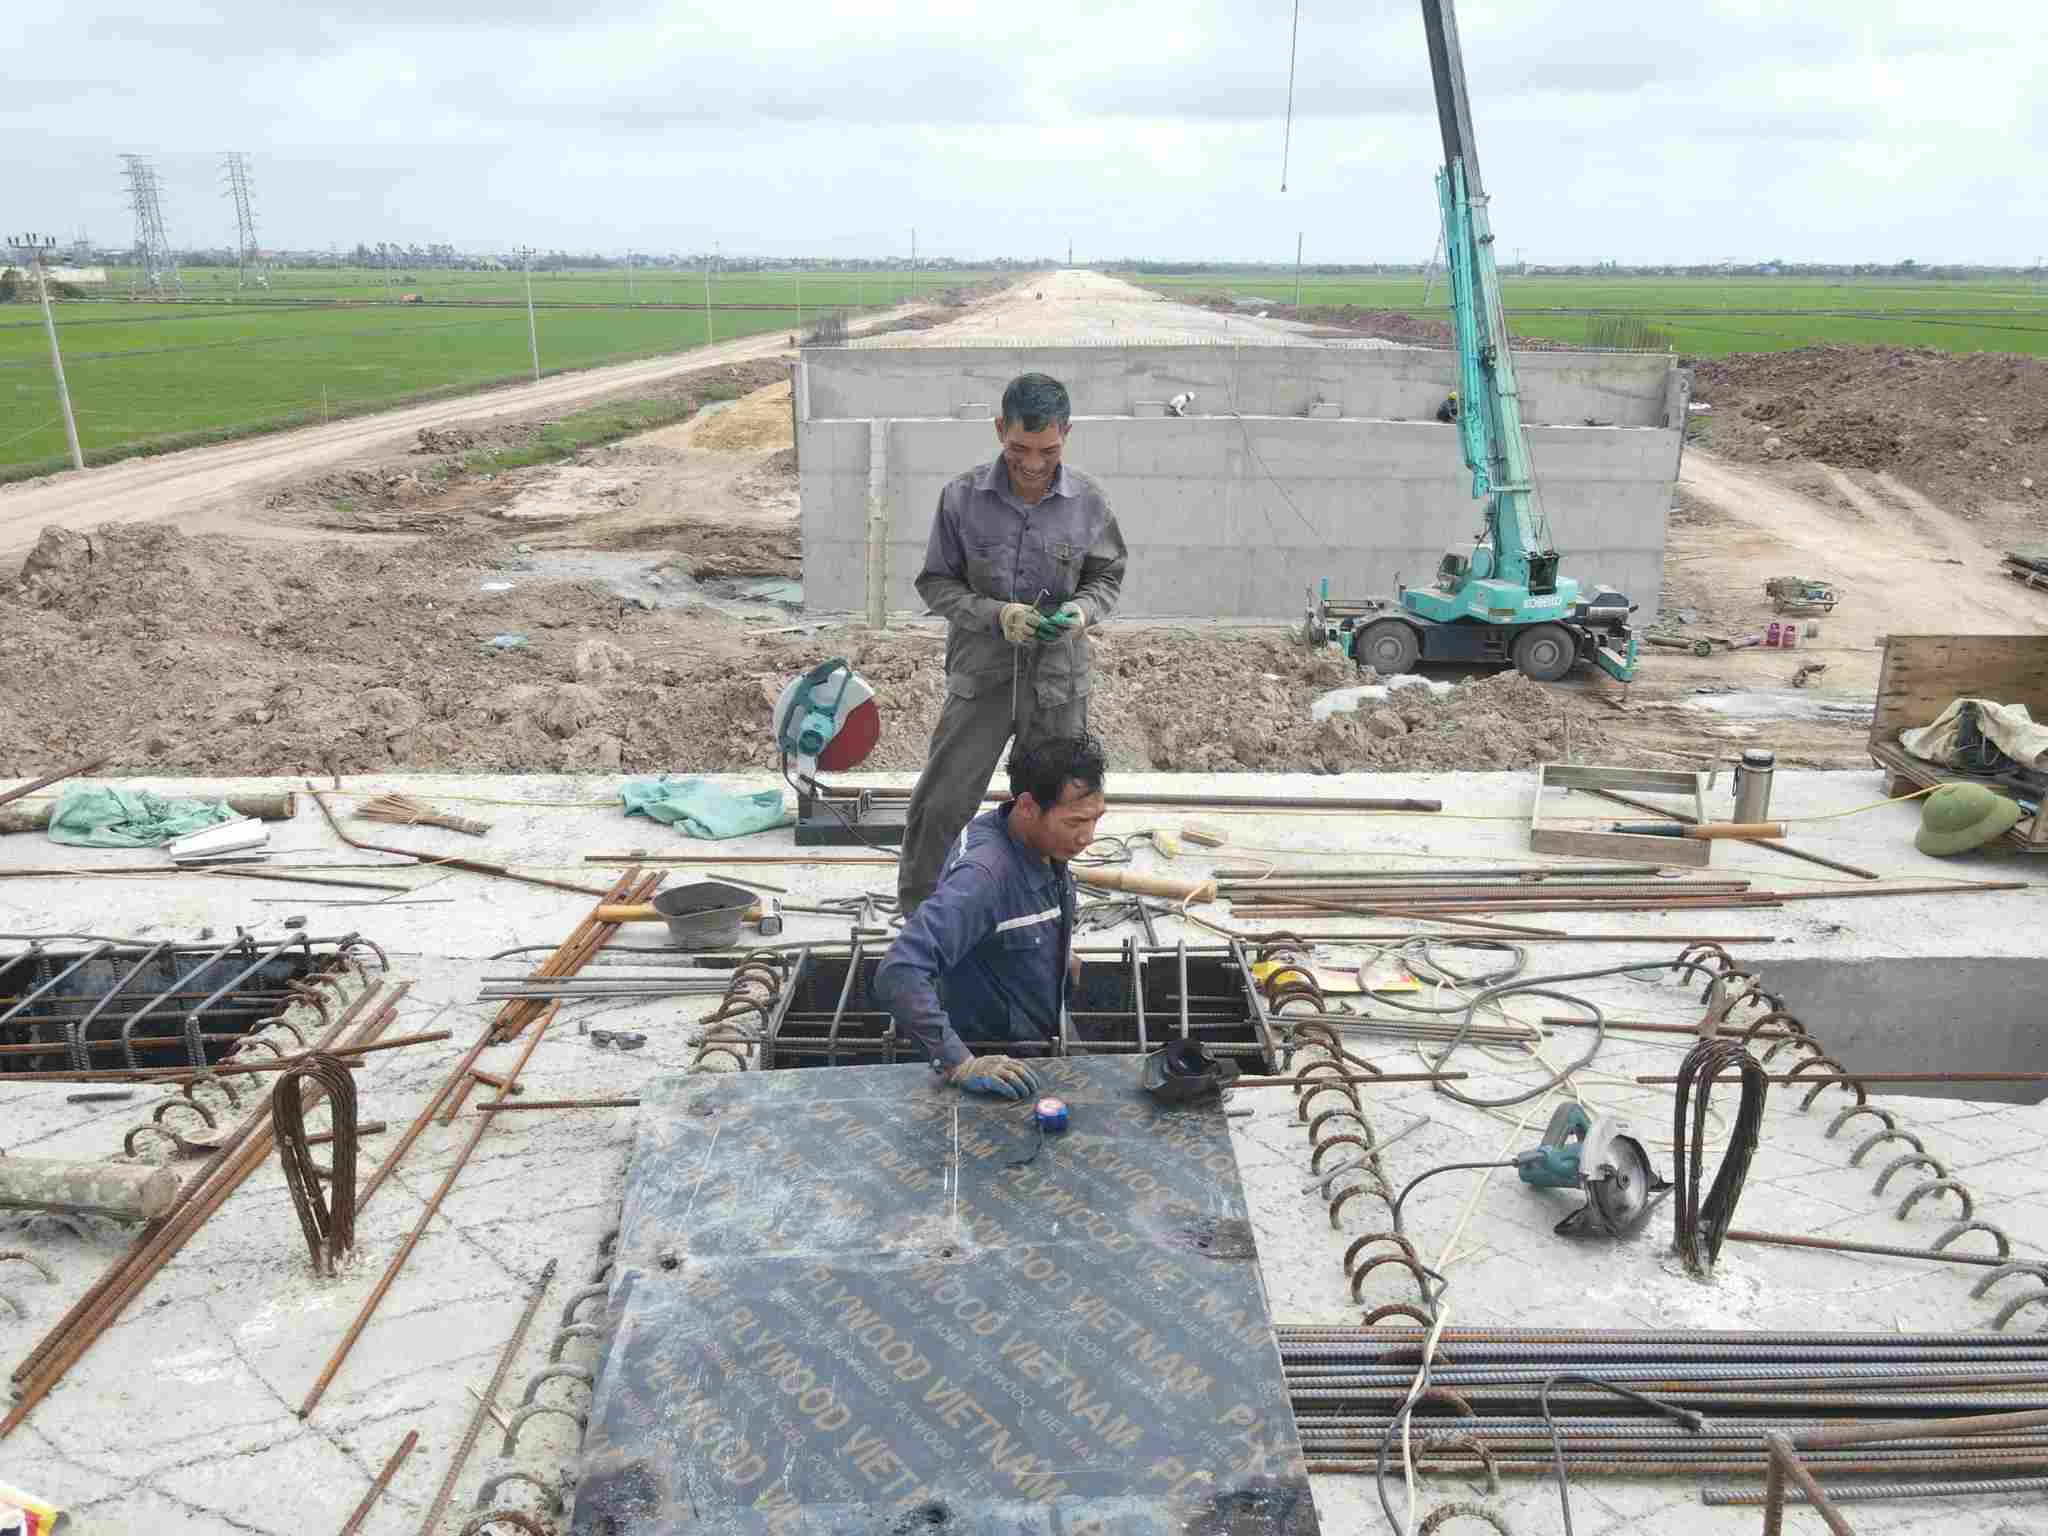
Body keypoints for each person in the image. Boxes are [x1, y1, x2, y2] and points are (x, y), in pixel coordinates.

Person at [897, 372, 1126, 914]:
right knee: (942, 804)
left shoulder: (1090, 502)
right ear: (1000, 428)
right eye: (1019, 448)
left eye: (1047, 450)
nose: (1032, 463)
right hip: (982, 680)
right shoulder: (961, 499)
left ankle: (1040, 917)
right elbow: (936, 583)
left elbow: (1106, 577)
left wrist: (1080, 612)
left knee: (1054, 809)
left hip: (1058, 687)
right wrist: (997, 615)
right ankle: (922, 919)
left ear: (1066, 433)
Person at [875, 734, 1107, 1099]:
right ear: (1028, 807)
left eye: (1095, 819)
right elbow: (899, 972)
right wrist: (959, 1062)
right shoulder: (983, 878)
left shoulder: (1036, 838)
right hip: (1002, 1060)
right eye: (1075, 822)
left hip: (1047, 1023)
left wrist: (1055, 951)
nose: (1087, 837)